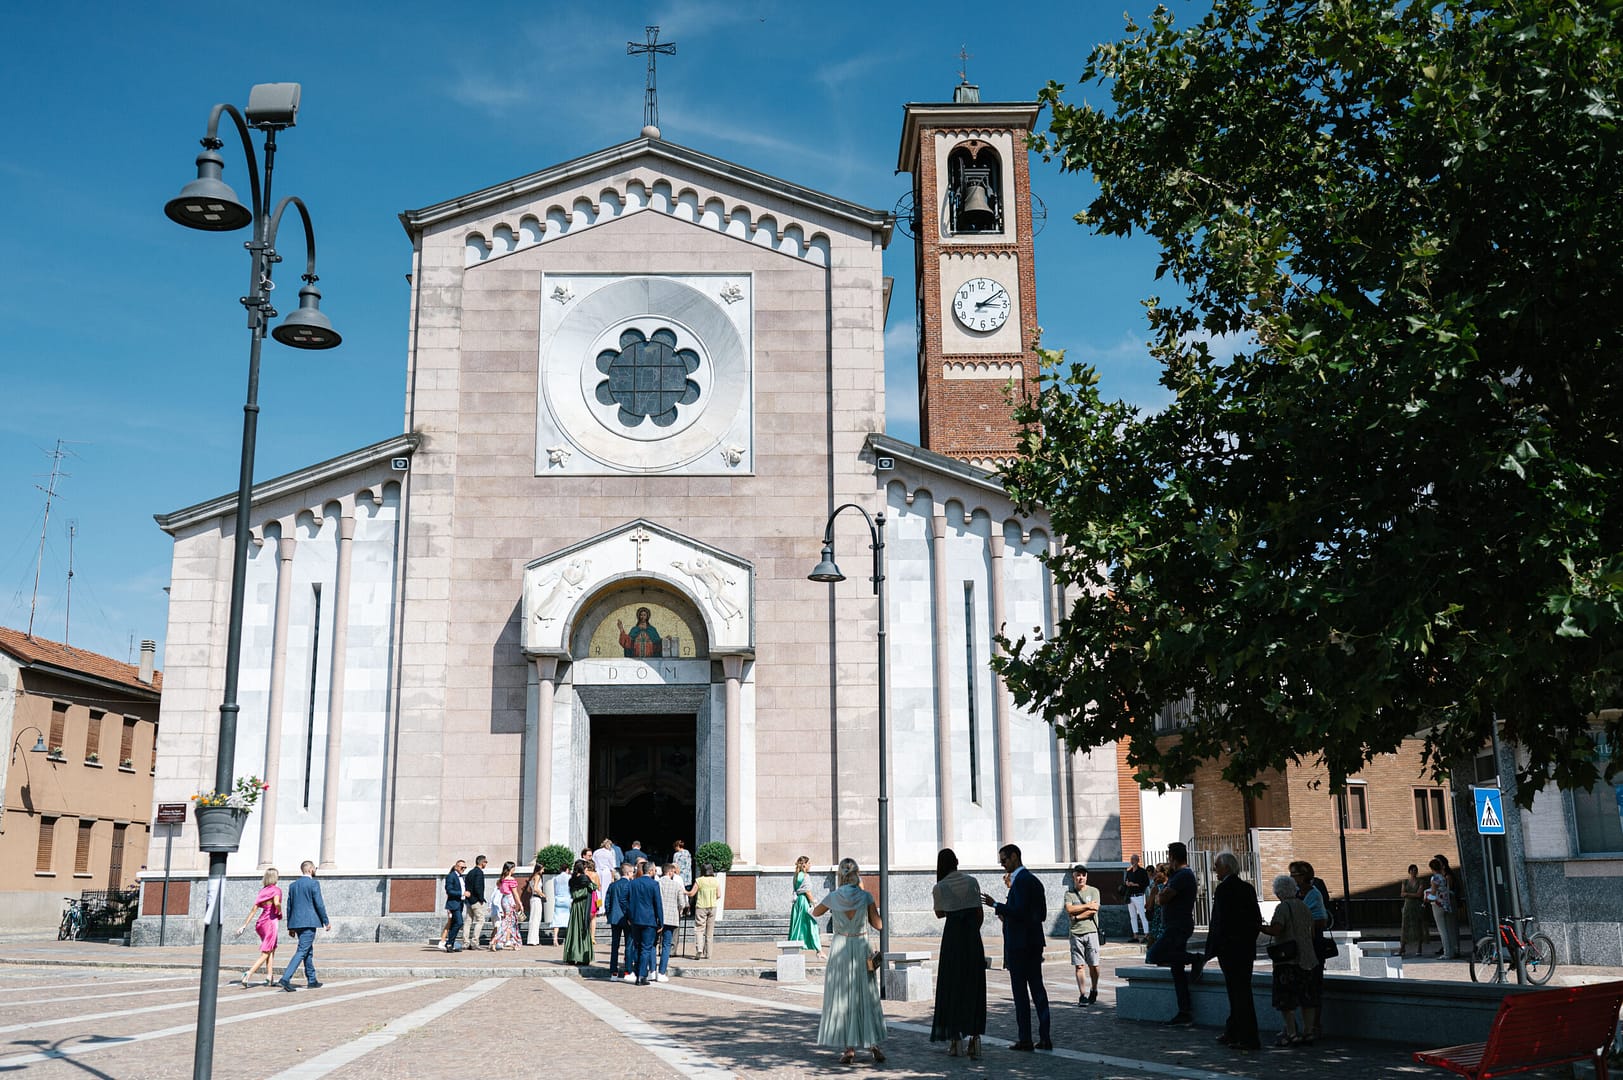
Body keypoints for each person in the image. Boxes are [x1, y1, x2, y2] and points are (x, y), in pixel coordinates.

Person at [812, 857, 887, 1065]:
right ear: (857, 874)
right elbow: (879, 925)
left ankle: (849, 1049)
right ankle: (873, 1044)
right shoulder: (866, 897)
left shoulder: (833, 897)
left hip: (841, 949)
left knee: (843, 997)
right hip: (861, 947)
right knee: (866, 995)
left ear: (840, 876)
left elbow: (815, 912)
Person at [982, 843, 1052, 1051]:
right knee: (1038, 990)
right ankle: (1045, 1037)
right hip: (1034, 943)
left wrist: (996, 905)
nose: (1002, 865)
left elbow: (1018, 911)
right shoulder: (1034, 881)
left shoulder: (1020, 882)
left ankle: (1025, 1039)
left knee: (1021, 994)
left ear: (1014, 857)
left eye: (1003, 860)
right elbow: (1041, 915)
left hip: (1019, 946)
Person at [929, 848, 985, 1059]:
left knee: (952, 988)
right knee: (974, 987)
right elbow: (979, 914)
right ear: (957, 861)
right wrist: (971, 932)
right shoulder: (972, 882)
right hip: (972, 938)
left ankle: (955, 1041)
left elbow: (939, 913)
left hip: (953, 940)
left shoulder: (940, 887)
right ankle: (975, 1039)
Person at [1206, 852, 1262, 1051]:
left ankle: (1247, 1037)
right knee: (1241, 991)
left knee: (1237, 993)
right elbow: (1256, 920)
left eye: (1217, 867)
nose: (1215, 870)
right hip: (1245, 949)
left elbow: (1219, 922)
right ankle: (1234, 1031)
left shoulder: (1223, 890)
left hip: (1230, 950)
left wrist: (1215, 947)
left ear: (1227, 868)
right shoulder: (1247, 888)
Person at [1146, 841, 1204, 1025]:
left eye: (1168, 856)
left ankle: (1196, 959)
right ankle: (1184, 1011)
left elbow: (1162, 899)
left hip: (1178, 926)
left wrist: (1158, 896)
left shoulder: (1183, 875)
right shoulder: (1177, 875)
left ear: (1172, 857)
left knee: (1153, 955)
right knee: (1176, 969)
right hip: (1175, 925)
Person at [1259, 874, 1317, 1047]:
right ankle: (1308, 1031)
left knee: (1287, 1000)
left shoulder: (1283, 907)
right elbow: (1312, 932)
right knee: (1307, 998)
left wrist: (1259, 927)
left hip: (1288, 961)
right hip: (1309, 958)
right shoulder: (1304, 906)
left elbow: (1276, 929)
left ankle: (1291, 1033)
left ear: (1279, 892)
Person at [1288, 861, 1329, 1041]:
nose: (1291, 878)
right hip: (1299, 946)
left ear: (1303, 875)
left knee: (1314, 984)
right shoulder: (1296, 894)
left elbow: (1321, 920)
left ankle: (1314, 1026)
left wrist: (1302, 921)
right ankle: (1304, 1026)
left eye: (1294, 874)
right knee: (1302, 986)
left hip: (1313, 946)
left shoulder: (1314, 894)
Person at [277, 861, 329, 992]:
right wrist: (325, 921)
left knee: (307, 951)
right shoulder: (313, 884)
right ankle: (285, 978)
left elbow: (289, 906)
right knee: (302, 951)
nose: (315, 870)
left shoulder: (293, 885)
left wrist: (290, 926)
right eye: (315, 868)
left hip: (297, 922)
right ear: (310, 869)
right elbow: (319, 904)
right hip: (309, 922)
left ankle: (312, 980)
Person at [1063, 864, 1102, 1007]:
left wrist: (1077, 917)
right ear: (1073, 877)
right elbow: (1069, 909)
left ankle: (1094, 988)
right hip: (1075, 933)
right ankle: (1082, 995)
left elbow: (1094, 910)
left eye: (1083, 875)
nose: (1081, 878)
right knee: (1079, 966)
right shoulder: (1069, 894)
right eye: (1078, 875)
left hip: (1091, 931)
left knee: (1094, 965)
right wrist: (1087, 905)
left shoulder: (1094, 891)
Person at [237, 867, 283, 987]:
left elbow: (253, 910)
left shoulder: (262, 891)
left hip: (261, 922)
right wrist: (280, 911)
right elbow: (277, 903)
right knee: (266, 952)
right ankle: (248, 973)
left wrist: (244, 925)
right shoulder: (276, 890)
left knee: (270, 949)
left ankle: (269, 976)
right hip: (271, 922)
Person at [627, 860, 663, 985]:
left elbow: (628, 901)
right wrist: (661, 921)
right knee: (646, 948)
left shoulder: (633, 883)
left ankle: (638, 973)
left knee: (637, 947)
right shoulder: (654, 884)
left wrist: (630, 917)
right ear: (651, 870)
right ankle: (641, 976)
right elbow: (658, 904)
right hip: (649, 920)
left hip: (636, 919)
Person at [787, 855, 823, 957]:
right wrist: (813, 903)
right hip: (804, 902)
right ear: (804, 865)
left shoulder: (796, 876)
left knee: (797, 924)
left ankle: (791, 949)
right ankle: (819, 950)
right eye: (809, 863)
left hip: (797, 902)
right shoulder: (805, 876)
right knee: (812, 924)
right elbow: (807, 891)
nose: (810, 865)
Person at [562, 859, 596, 965]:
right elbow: (592, 887)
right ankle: (582, 956)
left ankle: (572, 955)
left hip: (575, 906)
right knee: (583, 928)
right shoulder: (584, 878)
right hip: (583, 906)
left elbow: (573, 893)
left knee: (574, 929)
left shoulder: (571, 879)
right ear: (583, 868)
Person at [605, 862, 635, 978]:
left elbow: (607, 902)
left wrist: (609, 915)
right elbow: (628, 903)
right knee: (629, 945)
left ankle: (613, 971)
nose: (633, 874)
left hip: (615, 917)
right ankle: (628, 970)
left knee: (615, 945)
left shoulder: (613, 885)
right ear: (628, 872)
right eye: (632, 872)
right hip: (626, 918)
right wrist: (629, 917)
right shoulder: (629, 885)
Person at [656, 862, 683, 981]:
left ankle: (651, 970)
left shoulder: (658, 883)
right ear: (670, 872)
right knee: (667, 944)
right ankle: (661, 971)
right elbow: (681, 903)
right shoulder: (676, 885)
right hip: (671, 917)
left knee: (653, 944)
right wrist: (679, 911)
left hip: (658, 916)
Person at [1426, 856, 1457, 958]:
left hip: (1437, 904)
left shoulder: (1435, 878)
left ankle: (1446, 952)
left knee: (1442, 930)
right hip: (1445, 903)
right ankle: (1451, 951)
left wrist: (1427, 898)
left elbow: (1433, 892)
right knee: (1448, 928)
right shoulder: (1444, 877)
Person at [688, 862, 720, 959]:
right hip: (712, 907)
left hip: (701, 907)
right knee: (710, 932)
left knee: (699, 929)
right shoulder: (716, 881)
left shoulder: (699, 880)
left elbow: (692, 893)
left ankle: (699, 949)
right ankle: (708, 954)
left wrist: (684, 892)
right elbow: (719, 895)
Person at [492, 861, 522, 950]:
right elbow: (515, 893)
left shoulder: (502, 879)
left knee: (509, 922)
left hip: (504, 899)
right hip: (509, 900)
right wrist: (520, 903)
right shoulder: (510, 879)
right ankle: (496, 940)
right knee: (507, 921)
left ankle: (510, 941)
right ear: (510, 869)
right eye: (513, 868)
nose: (514, 870)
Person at [1399, 863, 1428, 958]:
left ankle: (1419, 948)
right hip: (1407, 906)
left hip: (1417, 906)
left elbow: (1419, 894)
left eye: (1415, 870)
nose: (1413, 872)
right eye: (1412, 870)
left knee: (1418, 926)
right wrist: (1412, 894)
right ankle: (1402, 947)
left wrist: (1408, 894)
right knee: (1405, 926)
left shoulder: (1420, 881)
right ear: (1409, 871)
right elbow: (1402, 894)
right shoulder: (1405, 882)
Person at [439, 860, 467, 952]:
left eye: (464, 867)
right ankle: (449, 943)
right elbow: (449, 891)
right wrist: (462, 893)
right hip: (453, 903)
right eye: (461, 867)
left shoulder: (461, 877)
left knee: (455, 924)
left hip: (460, 903)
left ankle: (451, 944)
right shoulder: (451, 876)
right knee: (459, 923)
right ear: (456, 867)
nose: (463, 869)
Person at [462, 855, 489, 950]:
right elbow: (478, 887)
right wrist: (481, 899)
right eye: (486, 862)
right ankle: (474, 942)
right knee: (480, 920)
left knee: (468, 921)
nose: (486, 864)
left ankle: (465, 942)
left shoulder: (470, 872)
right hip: (476, 900)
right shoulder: (479, 872)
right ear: (482, 862)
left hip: (469, 900)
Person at [1124, 853, 1151, 943]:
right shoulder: (1129, 872)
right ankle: (1135, 935)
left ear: (1138, 861)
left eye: (1134, 859)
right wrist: (1127, 883)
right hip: (1130, 896)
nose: (1132, 861)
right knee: (1132, 916)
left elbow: (1146, 883)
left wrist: (1135, 884)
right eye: (1131, 859)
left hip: (1139, 895)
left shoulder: (1142, 871)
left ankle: (1146, 934)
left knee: (1143, 915)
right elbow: (1126, 881)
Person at [523, 859, 549, 946]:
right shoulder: (537, 876)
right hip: (536, 899)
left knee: (534, 919)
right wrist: (543, 894)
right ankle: (533, 940)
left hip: (533, 898)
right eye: (542, 869)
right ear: (539, 869)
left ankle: (533, 939)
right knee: (536, 919)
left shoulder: (533, 876)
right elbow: (535, 888)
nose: (543, 870)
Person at [1145, 863, 1169, 950]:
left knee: (1155, 938)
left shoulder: (1157, 888)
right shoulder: (1171, 886)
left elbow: (1150, 905)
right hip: (1168, 917)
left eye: (1157, 871)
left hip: (1158, 917)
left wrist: (1148, 906)